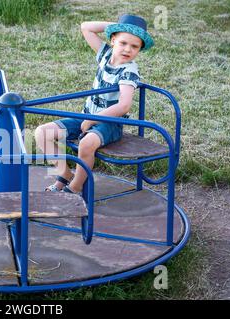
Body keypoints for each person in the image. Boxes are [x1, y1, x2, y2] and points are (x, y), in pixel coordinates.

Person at [35, 14, 154, 194]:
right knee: (42, 133)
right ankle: (64, 174)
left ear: (139, 50)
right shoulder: (105, 54)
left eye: (134, 46)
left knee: (86, 144)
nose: (127, 49)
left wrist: (92, 120)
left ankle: (75, 187)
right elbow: (86, 27)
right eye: (123, 43)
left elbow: (124, 106)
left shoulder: (129, 71)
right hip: (86, 116)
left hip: (110, 124)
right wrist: (118, 26)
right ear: (113, 40)